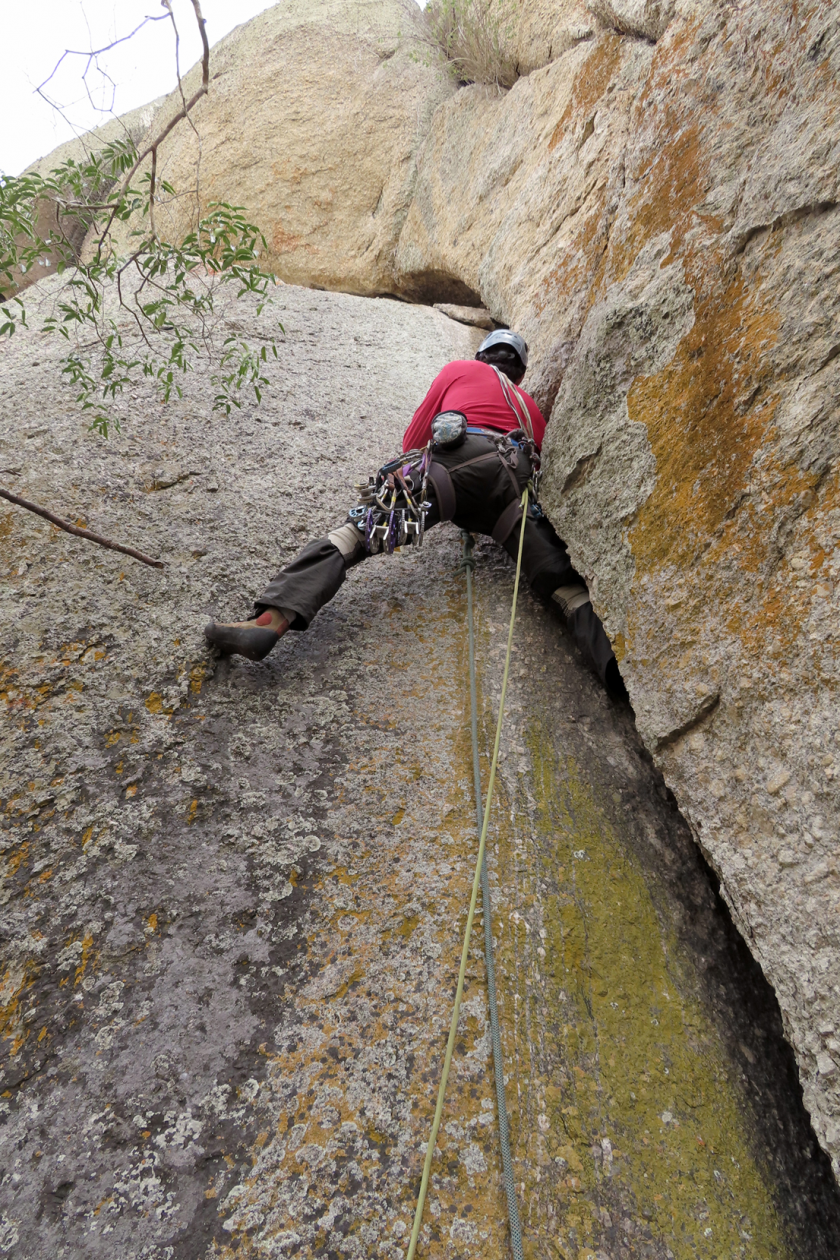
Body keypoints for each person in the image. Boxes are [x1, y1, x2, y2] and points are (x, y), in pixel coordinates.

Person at [204, 330, 625, 698]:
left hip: (455, 463)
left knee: (355, 536)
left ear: (484, 355)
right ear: (519, 370)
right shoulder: (531, 409)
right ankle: (619, 676)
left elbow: (414, 438)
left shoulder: (462, 369)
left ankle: (270, 620)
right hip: (514, 491)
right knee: (565, 589)